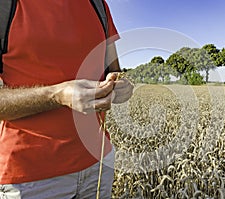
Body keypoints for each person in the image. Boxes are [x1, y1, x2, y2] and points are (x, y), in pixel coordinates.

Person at [0, 0, 133, 198]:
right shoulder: (6, 6)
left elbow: (114, 72)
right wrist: (58, 94)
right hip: (31, 178)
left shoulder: (98, 5)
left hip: (98, 165)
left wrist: (120, 88)